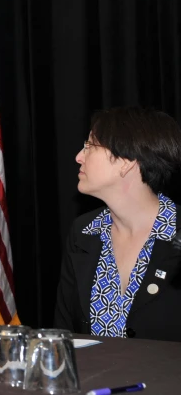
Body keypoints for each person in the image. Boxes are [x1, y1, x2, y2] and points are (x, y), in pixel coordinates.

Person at [54, 106, 181, 341]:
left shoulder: (176, 232)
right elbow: (65, 334)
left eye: (90, 146)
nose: (79, 156)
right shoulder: (84, 232)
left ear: (127, 162)